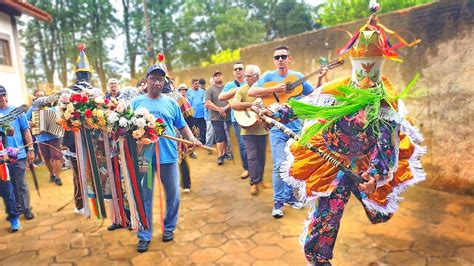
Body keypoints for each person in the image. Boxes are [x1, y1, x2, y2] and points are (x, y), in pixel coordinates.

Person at [284, 9, 424, 264]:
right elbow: (304, 105)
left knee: (380, 209)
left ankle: (371, 200)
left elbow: (386, 143)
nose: (366, 83)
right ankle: (318, 258)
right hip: (332, 160)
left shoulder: (384, 101)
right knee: (328, 214)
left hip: (364, 163)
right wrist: (274, 111)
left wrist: (375, 176)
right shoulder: (336, 88)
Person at [131, 64, 201, 253]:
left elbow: (182, 124)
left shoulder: (171, 102)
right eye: (153, 78)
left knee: (173, 194)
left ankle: (169, 227)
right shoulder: (136, 102)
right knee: (145, 196)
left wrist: (192, 138)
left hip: (169, 155)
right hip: (144, 156)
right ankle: (144, 235)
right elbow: (129, 129)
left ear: (165, 82)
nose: (156, 82)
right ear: (146, 81)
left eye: (160, 79)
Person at [248, 45, 313, 218]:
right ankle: (278, 203)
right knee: (278, 165)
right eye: (277, 57)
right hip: (276, 129)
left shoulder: (298, 77)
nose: (280, 60)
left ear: (289, 58)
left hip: (296, 129)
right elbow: (252, 91)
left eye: (283, 56)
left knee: (292, 165)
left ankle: (290, 198)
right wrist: (274, 89)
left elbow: (314, 95)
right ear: (274, 60)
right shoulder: (268, 76)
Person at [231, 65, 269, 195]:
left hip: (262, 130)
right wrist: (250, 105)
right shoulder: (242, 90)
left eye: (249, 76)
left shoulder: (263, 90)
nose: (246, 78)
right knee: (252, 157)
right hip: (247, 130)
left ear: (257, 77)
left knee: (261, 157)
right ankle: (253, 183)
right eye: (245, 75)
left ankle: (260, 180)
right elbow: (234, 104)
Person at [0, 85, 35, 220]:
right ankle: (16, 208)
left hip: (17, 153)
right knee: (9, 184)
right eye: (0, 96)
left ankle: (26, 208)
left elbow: (26, 130)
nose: (2, 98)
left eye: (4, 95)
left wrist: (30, 149)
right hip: (2, 156)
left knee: (21, 183)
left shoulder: (17, 111)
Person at [219, 62, 249, 179]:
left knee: (252, 144)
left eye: (240, 68)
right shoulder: (230, 85)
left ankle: (254, 168)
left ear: (244, 70)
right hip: (236, 119)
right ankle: (247, 168)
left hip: (251, 117)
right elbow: (221, 97)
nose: (238, 71)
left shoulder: (249, 82)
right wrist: (236, 90)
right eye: (236, 69)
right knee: (242, 145)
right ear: (233, 72)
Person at [26, 89, 63, 186]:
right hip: (41, 137)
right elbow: (25, 120)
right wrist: (32, 123)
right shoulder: (32, 108)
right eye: (38, 96)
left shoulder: (52, 106)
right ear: (35, 97)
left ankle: (57, 177)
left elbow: (59, 117)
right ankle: (52, 174)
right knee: (46, 158)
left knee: (56, 156)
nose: (41, 97)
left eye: (42, 95)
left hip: (54, 135)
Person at [205, 71, 231, 165]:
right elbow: (208, 103)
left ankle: (226, 153)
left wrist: (225, 108)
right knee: (220, 136)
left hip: (228, 116)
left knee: (227, 136)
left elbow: (232, 100)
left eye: (220, 75)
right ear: (213, 78)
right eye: (216, 75)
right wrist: (219, 110)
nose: (218, 77)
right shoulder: (209, 89)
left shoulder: (227, 88)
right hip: (215, 118)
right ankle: (220, 156)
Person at [186, 79, 207, 146]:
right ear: (192, 84)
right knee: (193, 128)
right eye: (195, 83)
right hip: (193, 114)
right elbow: (188, 102)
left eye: (198, 83)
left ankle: (203, 141)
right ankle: (193, 143)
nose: (197, 85)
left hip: (202, 114)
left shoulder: (202, 91)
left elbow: (204, 101)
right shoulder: (189, 91)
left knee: (203, 128)